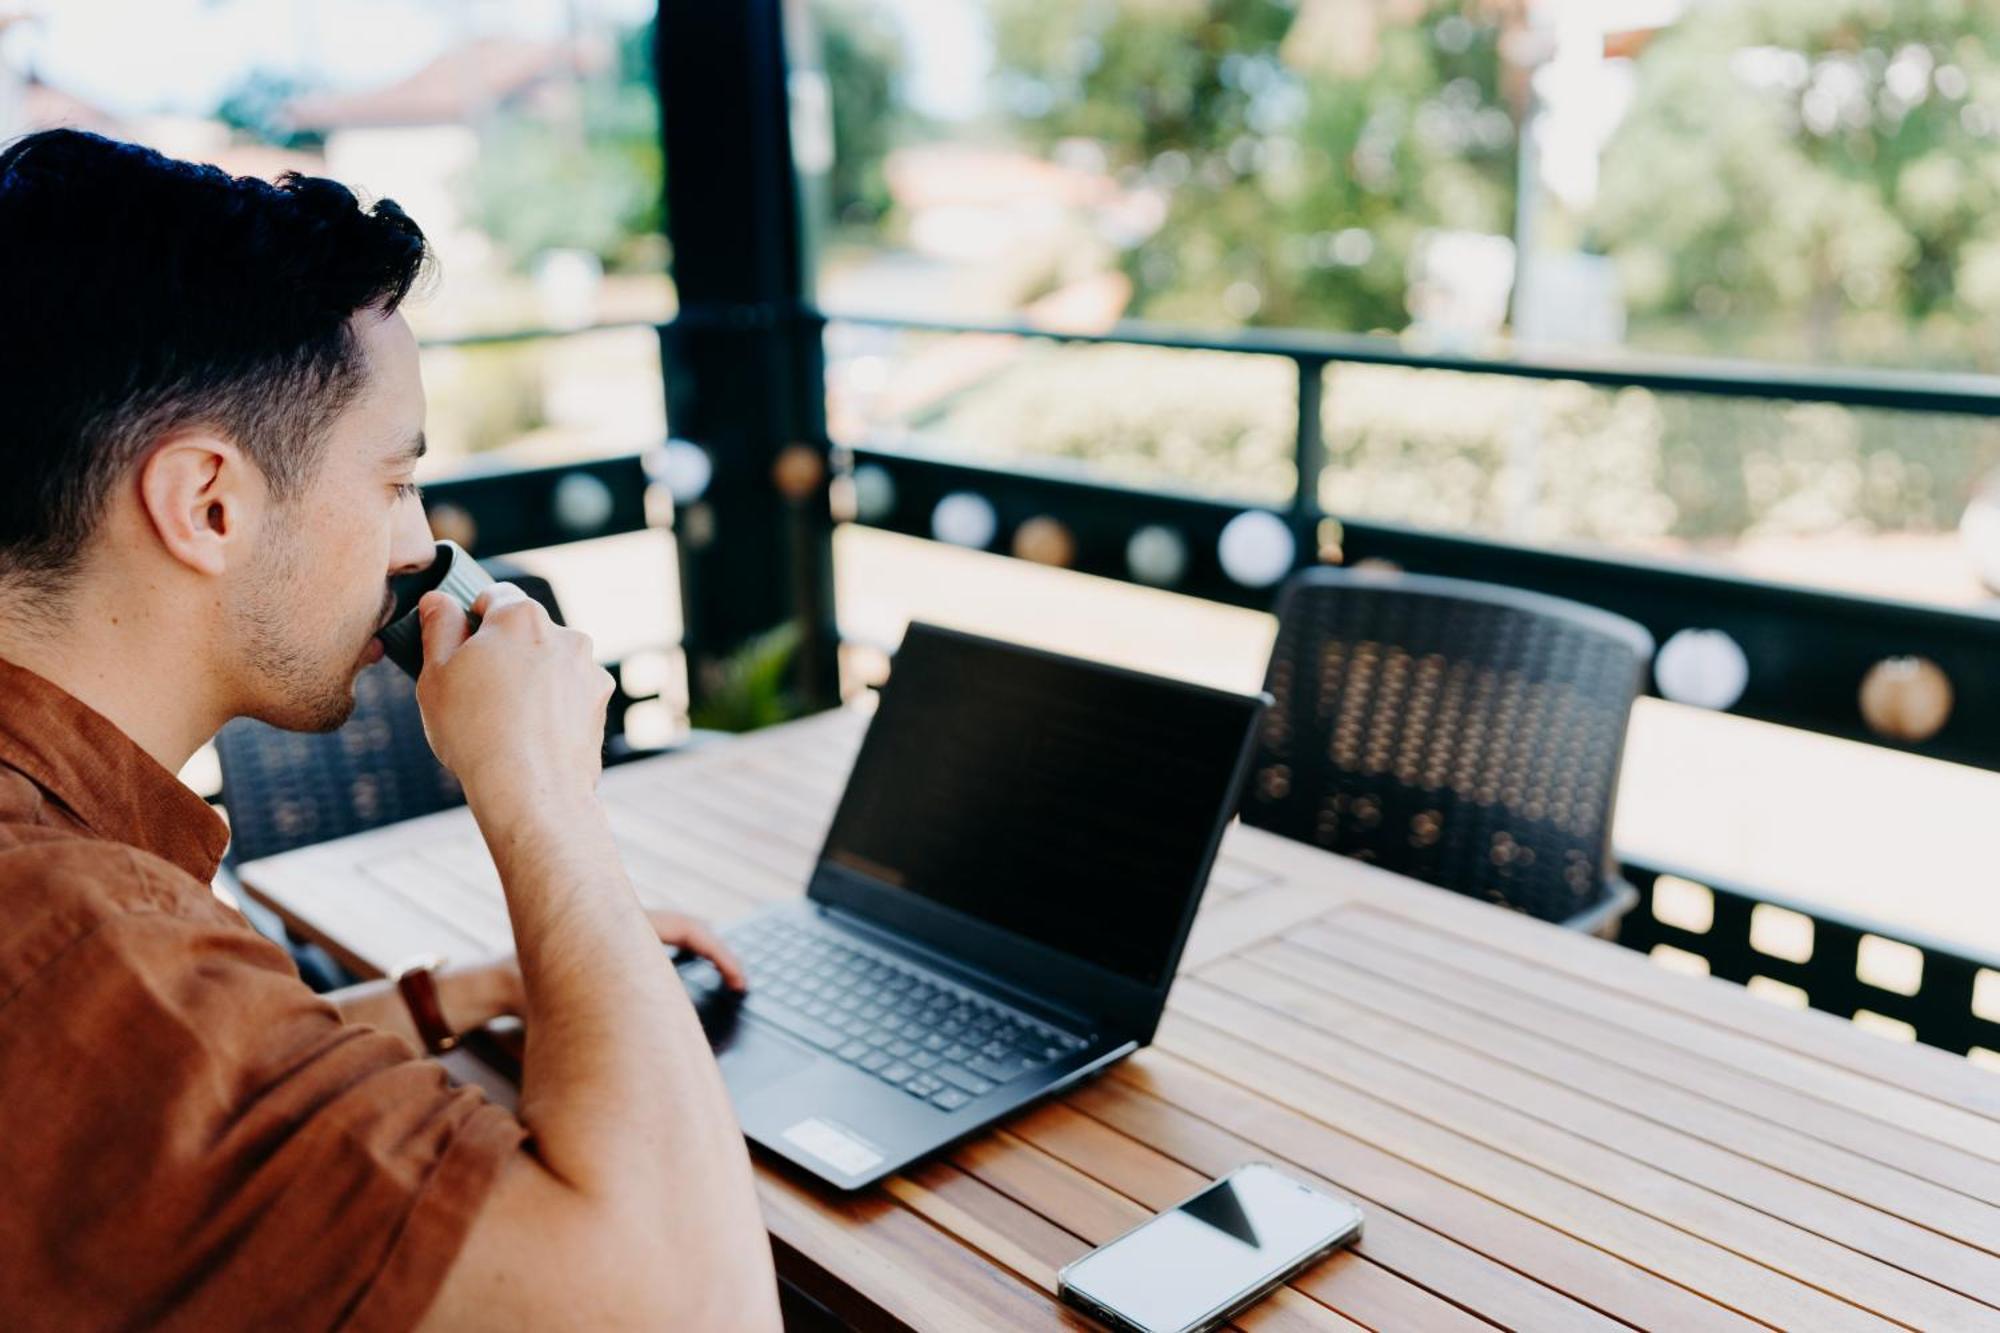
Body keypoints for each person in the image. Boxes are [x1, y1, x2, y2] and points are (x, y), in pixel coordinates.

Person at [0, 128, 781, 1330]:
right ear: (208, 503)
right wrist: (545, 798)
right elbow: (689, 1305)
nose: (421, 550)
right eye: (395, 483)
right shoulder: (69, 932)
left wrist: (459, 993)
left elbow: (176, 1088)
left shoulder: (72, 890)